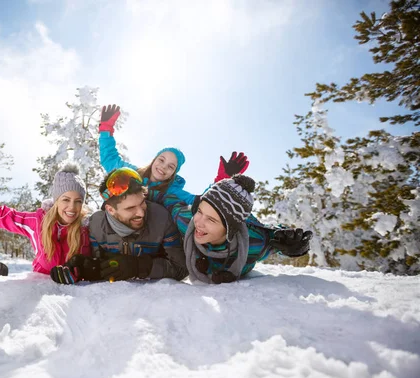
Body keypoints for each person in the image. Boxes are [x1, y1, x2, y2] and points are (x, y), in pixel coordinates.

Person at [150, 174, 312, 284]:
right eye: (200, 211)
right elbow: (169, 201)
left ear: (229, 229)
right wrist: (144, 192)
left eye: (211, 220)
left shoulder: (254, 242)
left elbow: (277, 238)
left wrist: (294, 246)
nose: (199, 222)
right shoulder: (187, 220)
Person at [50, 167, 188, 284]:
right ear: (110, 210)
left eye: (142, 203)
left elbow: (181, 268)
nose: (141, 212)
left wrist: (138, 266)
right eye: (130, 208)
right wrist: (83, 267)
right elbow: (97, 265)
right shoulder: (96, 226)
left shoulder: (161, 218)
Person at [98, 104, 249, 204]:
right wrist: (106, 129)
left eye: (171, 166)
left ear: (173, 173)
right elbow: (110, 160)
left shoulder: (173, 191)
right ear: (154, 159)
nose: (163, 167)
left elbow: (202, 202)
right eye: (161, 160)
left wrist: (222, 180)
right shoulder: (132, 173)